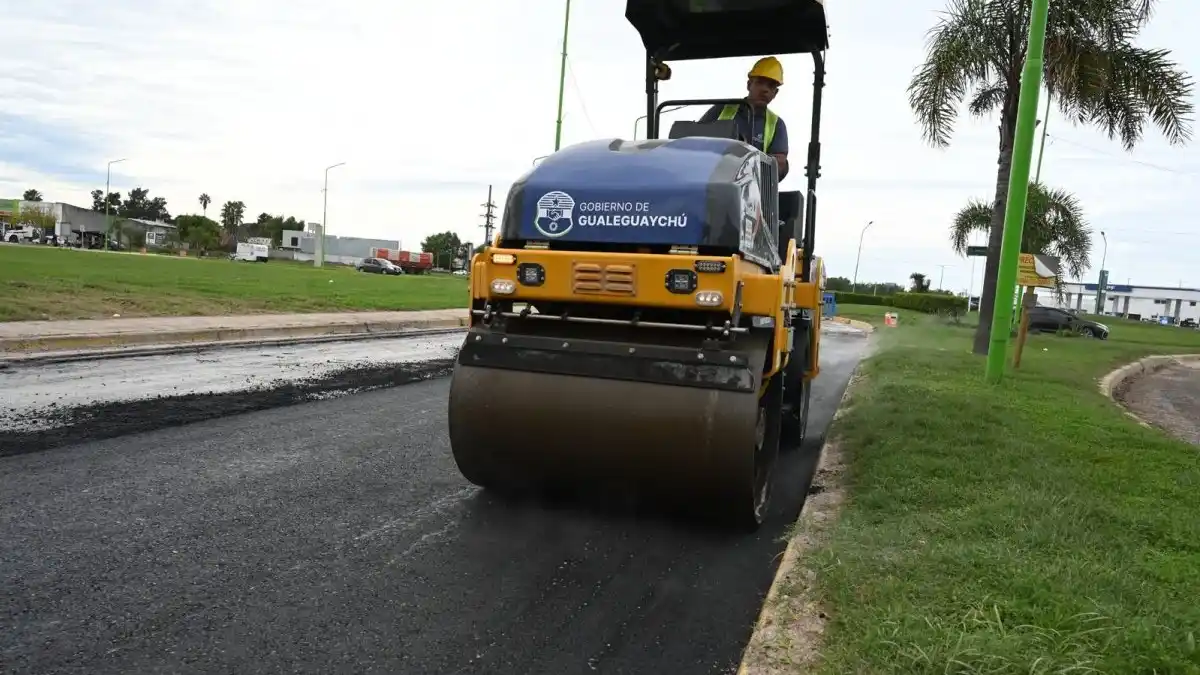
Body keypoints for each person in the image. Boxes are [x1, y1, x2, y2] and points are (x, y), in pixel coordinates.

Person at [697, 56, 789, 180]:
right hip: (713, 180)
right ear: (749, 85)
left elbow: (779, 164)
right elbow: (695, 141)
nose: (765, 89)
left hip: (753, 190)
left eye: (771, 86)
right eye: (760, 82)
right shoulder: (721, 109)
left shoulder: (777, 124)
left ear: (775, 93)